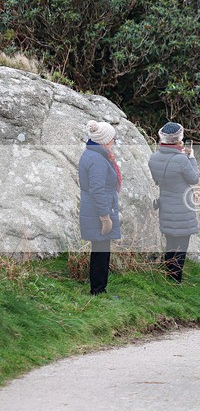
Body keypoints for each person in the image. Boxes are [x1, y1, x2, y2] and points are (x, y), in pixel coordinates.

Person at [148, 122, 199, 283]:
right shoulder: (182, 159)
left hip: (166, 205)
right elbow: (194, 179)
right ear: (179, 139)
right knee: (181, 246)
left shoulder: (153, 158)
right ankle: (176, 279)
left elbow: (157, 180)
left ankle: (168, 275)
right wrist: (191, 158)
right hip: (183, 207)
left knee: (170, 243)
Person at [79, 120, 121, 295]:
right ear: (104, 140)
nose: (113, 142)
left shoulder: (92, 154)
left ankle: (98, 289)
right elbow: (97, 190)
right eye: (112, 138)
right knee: (101, 253)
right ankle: (98, 290)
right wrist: (105, 217)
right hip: (97, 212)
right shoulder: (97, 159)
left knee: (99, 251)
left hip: (93, 209)